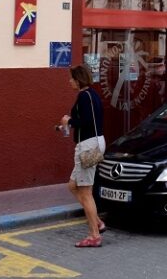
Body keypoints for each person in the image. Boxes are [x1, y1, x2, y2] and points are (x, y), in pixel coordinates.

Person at [60, 65, 106, 248]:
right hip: (94, 142)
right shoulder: (92, 94)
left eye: (71, 78)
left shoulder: (83, 96)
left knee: (86, 192)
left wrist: (68, 121)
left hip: (87, 146)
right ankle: (97, 222)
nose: (69, 81)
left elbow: (85, 121)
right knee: (73, 186)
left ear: (78, 80)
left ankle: (94, 235)